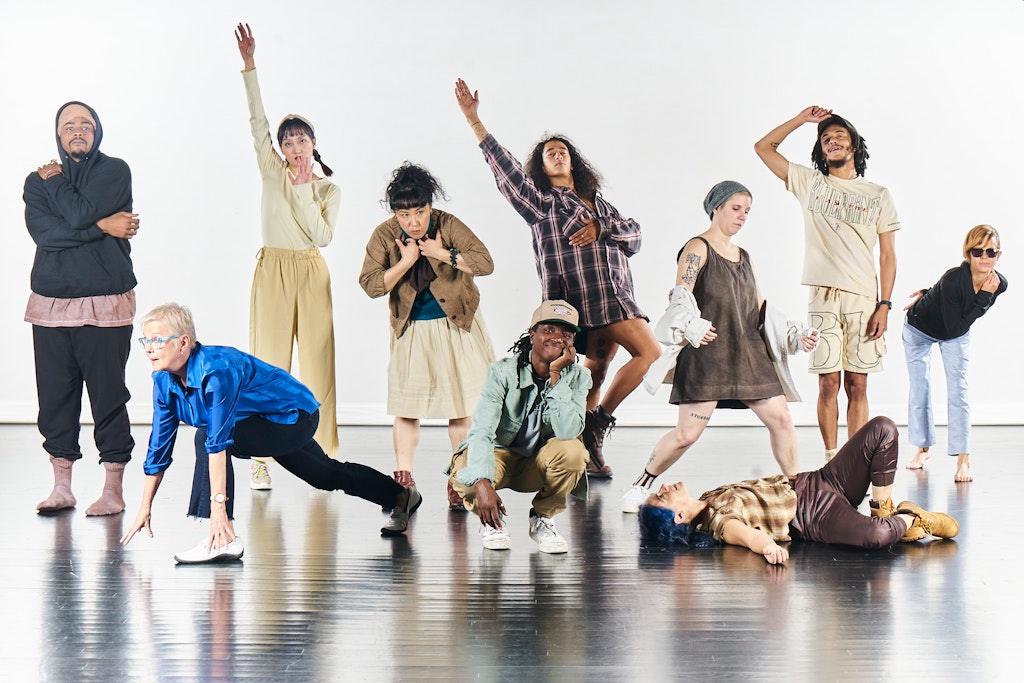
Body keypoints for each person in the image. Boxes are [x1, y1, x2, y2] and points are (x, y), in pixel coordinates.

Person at [454, 78, 660, 479]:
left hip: (615, 295)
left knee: (597, 371)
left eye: (563, 151)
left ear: (574, 162)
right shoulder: (542, 202)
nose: (558, 154)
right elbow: (507, 172)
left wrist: (603, 229)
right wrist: (475, 122)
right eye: (550, 153)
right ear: (542, 167)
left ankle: (587, 443)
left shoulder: (598, 203)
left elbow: (635, 236)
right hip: (579, 301)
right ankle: (592, 427)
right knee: (645, 353)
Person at [120, 303, 421, 564]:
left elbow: (217, 443)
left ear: (183, 342)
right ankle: (400, 496)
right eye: (144, 340)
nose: (148, 347)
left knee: (206, 436)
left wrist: (219, 511)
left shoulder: (217, 370)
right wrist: (144, 507)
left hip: (294, 416)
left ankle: (224, 538)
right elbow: (159, 446)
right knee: (325, 475)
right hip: (260, 423)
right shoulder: (163, 381)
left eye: (157, 340)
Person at [621, 182, 818, 513]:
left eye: (747, 211)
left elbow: (760, 307)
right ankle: (642, 484)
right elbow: (679, 295)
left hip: (749, 352)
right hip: (708, 352)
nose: (742, 217)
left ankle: (798, 492)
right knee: (686, 434)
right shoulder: (697, 248)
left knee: (781, 418)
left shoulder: (745, 257)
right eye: (736, 208)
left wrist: (793, 335)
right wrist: (691, 324)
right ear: (717, 208)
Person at [755, 107, 900, 461]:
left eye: (839, 136)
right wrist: (801, 120)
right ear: (821, 151)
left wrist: (884, 304)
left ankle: (856, 460)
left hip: (864, 298)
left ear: (854, 146)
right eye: (825, 139)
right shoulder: (810, 184)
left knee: (858, 383)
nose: (831, 141)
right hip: (822, 297)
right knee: (828, 383)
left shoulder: (877, 194)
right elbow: (763, 147)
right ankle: (831, 459)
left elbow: (887, 256)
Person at [236, 23, 341, 490]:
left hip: (310, 270)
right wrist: (250, 66)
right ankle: (261, 456)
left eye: (302, 139)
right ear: (280, 149)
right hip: (273, 268)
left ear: (314, 144)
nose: (295, 146)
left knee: (318, 359)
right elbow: (258, 121)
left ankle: (323, 453)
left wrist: (303, 190)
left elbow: (321, 235)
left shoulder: (328, 188)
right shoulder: (270, 171)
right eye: (288, 141)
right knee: (268, 362)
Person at [24, 101, 140, 516]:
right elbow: (46, 234)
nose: (77, 131)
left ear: (97, 131)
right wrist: (103, 227)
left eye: (86, 125)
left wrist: (65, 194)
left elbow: (74, 215)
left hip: (105, 301)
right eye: (68, 125)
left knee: (108, 395)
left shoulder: (114, 171)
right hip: (51, 303)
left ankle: (112, 490)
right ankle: (62, 487)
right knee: (56, 396)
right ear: (57, 134)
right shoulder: (35, 182)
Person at [638, 417, 959, 564]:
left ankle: (884, 510)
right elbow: (748, 537)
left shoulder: (710, 495)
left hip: (815, 481)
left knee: (883, 430)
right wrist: (768, 549)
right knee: (876, 538)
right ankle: (908, 516)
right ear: (679, 516)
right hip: (813, 516)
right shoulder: (719, 521)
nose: (665, 486)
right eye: (663, 495)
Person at [359, 163, 495, 509]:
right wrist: (405, 262)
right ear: (396, 213)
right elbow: (370, 284)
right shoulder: (384, 234)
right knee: (406, 410)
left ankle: (459, 479)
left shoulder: (448, 225)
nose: (414, 222)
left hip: (456, 326)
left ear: (430, 207)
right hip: (412, 329)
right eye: (405, 214)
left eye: (420, 212)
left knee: (462, 408)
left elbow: (485, 262)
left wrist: (441, 253)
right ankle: (403, 485)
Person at [447, 301, 592, 554]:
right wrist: (482, 482)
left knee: (574, 452)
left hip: (538, 461)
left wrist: (556, 377)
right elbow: (481, 430)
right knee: (466, 473)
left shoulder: (579, 377)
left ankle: (542, 518)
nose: (557, 338)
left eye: (566, 335)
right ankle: (492, 522)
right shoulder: (502, 372)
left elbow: (569, 432)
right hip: (498, 456)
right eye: (549, 330)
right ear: (532, 334)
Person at [902, 225, 1007, 482]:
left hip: (955, 331)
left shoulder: (999, 284)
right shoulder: (954, 278)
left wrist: (932, 293)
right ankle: (922, 449)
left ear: (998, 255)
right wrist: (933, 296)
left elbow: (958, 324)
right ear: (968, 253)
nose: (984, 257)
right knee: (920, 389)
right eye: (977, 251)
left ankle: (963, 460)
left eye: (990, 252)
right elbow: (955, 322)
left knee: (958, 391)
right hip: (918, 329)